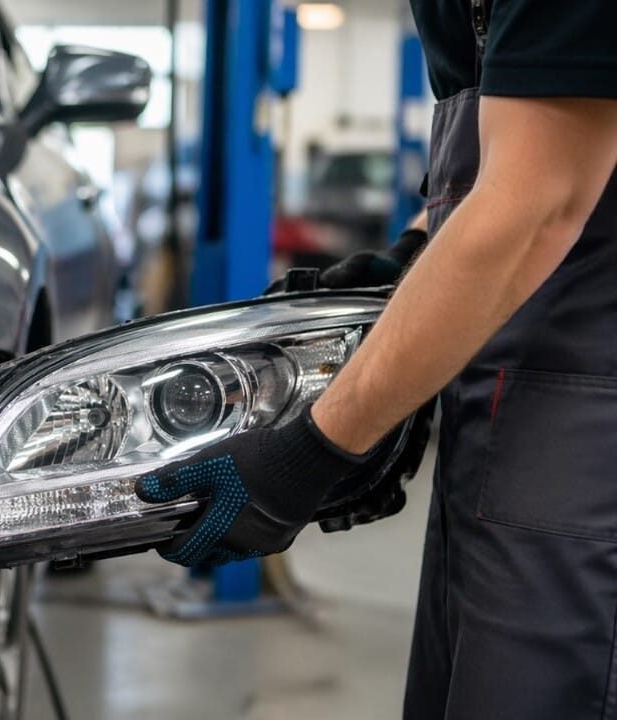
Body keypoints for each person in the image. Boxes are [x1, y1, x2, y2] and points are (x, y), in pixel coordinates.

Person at [135, 0, 617, 716]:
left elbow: (540, 199)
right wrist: (412, 256)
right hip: (511, 415)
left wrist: (313, 450)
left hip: (587, 431)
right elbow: (507, 148)